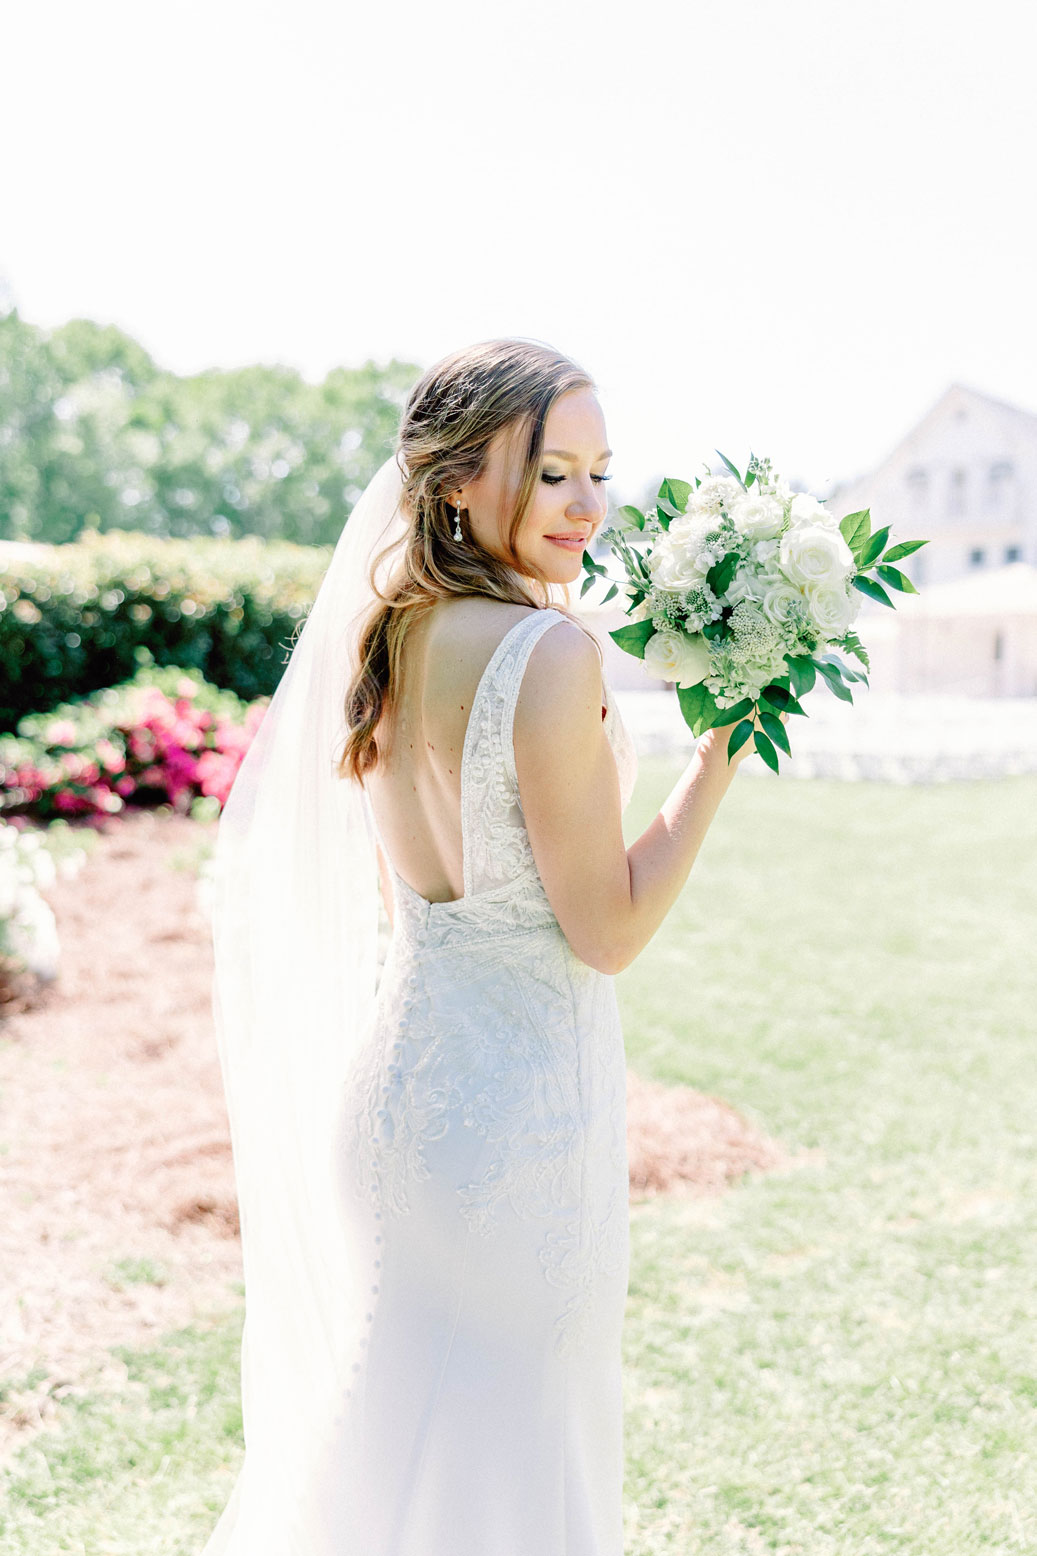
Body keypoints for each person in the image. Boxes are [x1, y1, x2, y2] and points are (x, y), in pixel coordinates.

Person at [202, 338, 762, 1556]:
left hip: (402, 1095)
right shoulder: (547, 653)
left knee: (395, 1465)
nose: (588, 505)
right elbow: (603, 929)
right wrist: (718, 759)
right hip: (516, 1124)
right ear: (457, 480)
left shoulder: (389, 639)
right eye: (552, 470)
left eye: (598, 473)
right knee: (511, 1480)